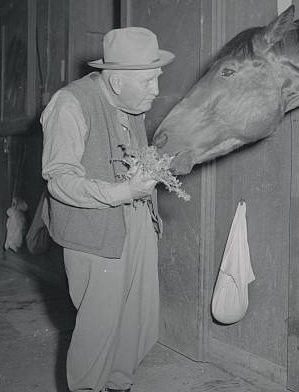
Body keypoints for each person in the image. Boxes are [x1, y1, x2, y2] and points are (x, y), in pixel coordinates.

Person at [40, 27, 174, 392]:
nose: (156, 90)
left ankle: (118, 384)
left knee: (138, 321)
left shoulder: (132, 104)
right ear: (116, 81)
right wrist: (120, 191)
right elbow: (59, 180)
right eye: (148, 81)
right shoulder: (70, 104)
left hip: (137, 219)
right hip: (94, 227)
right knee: (98, 330)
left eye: (156, 79)